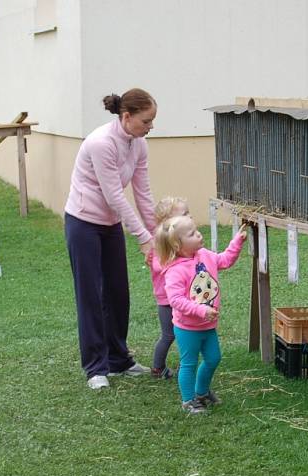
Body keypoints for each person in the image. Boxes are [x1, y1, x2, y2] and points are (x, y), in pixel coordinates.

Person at [64, 88, 158, 390]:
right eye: (146, 121)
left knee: (118, 293)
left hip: (110, 224)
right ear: (126, 116)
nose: (150, 127)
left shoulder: (138, 144)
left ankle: (119, 359)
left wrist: (157, 235)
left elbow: (142, 192)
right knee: (91, 294)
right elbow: (114, 195)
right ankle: (95, 367)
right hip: (83, 222)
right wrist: (142, 237)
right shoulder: (101, 143)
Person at [156, 215, 247, 414]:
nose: (199, 234)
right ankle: (188, 401)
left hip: (208, 326)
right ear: (177, 244)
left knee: (213, 358)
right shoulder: (175, 271)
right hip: (187, 328)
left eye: (196, 230)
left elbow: (225, 260)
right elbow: (176, 300)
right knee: (188, 363)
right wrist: (201, 310)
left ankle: (202, 392)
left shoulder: (204, 254)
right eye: (192, 234)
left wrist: (237, 241)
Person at [149, 196, 190, 379]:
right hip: (166, 300)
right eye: (184, 214)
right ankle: (158, 368)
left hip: (181, 297)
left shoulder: (180, 241)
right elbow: (159, 265)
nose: (189, 217)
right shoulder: (160, 243)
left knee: (186, 333)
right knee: (169, 335)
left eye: (188, 213)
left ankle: (185, 368)